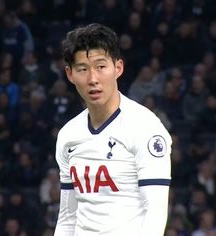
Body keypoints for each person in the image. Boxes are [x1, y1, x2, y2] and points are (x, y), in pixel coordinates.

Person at [54, 23, 172, 236]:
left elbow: (155, 211)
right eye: (82, 69)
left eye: (101, 67)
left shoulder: (146, 128)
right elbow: (67, 217)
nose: (92, 79)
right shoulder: (68, 135)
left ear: (118, 68)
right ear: (70, 74)